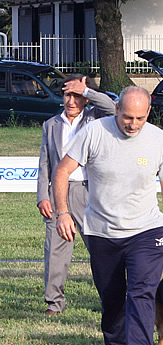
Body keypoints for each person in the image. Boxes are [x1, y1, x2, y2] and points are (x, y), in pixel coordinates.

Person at [53, 86, 163, 345]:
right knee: (111, 296)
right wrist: (62, 212)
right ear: (116, 109)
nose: (132, 124)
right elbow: (61, 172)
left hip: (147, 229)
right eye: (126, 117)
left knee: (141, 291)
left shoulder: (160, 140)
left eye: (139, 118)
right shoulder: (94, 133)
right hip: (102, 231)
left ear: (148, 113)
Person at [36, 74, 116, 316]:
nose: (71, 101)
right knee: (55, 250)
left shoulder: (96, 120)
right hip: (58, 193)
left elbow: (113, 107)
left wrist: (87, 90)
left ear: (84, 99)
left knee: (100, 248)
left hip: (89, 192)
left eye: (76, 96)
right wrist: (43, 196)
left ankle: (111, 299)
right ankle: (54, 303)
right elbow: (45, 164)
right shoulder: (51, 125)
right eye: (67, 95)